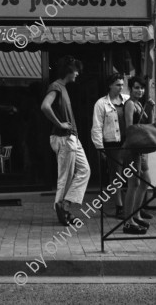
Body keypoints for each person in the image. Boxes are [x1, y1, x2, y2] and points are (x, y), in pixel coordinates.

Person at [41, 56, 91, 226]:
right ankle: (63, 212)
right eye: (76, 70)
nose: (77, 73)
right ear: (68, 70)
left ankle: (64, 205)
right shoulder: (56, 86)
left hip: (71, 138)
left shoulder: (62, 87)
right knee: (65, 177)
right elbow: (45, 106)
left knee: (84, 170)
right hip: (64, 138)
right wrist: (60, 124)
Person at [91, 73, 130, 219]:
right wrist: (99, 147)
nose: (121, 87)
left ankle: (134, 206)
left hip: (129, 143)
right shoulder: (101, 103)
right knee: (117, 177)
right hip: (112, 143)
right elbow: (96, 126)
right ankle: (119, 207)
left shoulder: (127, 100)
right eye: (117, 85)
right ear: (110, 85)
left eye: (122, 84)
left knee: (133, 174)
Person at [122, 76, 156, 234]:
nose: (140, 90)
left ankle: (136, 214)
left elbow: (148, 124)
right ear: (130, 89)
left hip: (140, 149)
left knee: (146, 181)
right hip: (132, 148)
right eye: (136, 87)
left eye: (142, 88)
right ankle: (128, 221)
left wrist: (150, 108)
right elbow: (130, 128)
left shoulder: (139, 103)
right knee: (133, 184)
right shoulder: (129, 104)